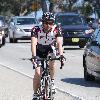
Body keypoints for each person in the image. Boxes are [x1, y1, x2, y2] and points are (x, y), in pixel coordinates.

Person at [31, 12, 65, 100]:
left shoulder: (57, 29)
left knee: (53, 59)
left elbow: (59, 43)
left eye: (51, 23)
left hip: (50, 49)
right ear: (42, 22)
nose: (48, 25)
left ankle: (52, 82)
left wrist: (61, 55)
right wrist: (34, 56)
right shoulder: (36, 29)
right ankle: (35, 94)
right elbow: (33, 43)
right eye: (46, 23)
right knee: (38, 73)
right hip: (39, 50)